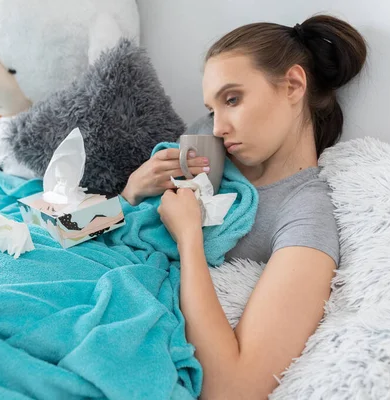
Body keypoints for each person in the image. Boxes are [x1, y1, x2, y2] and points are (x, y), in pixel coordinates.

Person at [121, 14, 367, 399]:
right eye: (212, 109)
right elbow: (108, 226)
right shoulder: (208, 152)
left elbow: (234, 388)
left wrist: (189, 239)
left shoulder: (306, 212)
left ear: (294, 85)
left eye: (232, 99)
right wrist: (131, 192)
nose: (217, 127)